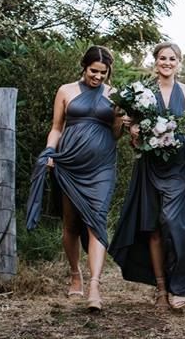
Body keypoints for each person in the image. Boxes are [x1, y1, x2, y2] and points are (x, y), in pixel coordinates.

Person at [26, 45, 123, 312]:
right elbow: (57, 128)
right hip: (70, 163)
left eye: (103, 73)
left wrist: (119, 121)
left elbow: (116, 135)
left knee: (97, 220)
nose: (98, 77)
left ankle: (95, 285)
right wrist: (49, 152)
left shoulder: (115, 95)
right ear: (84, 66)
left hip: (102, 165)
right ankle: (74, 274)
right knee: (70, 222)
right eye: (94, 71)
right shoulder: (66, 91)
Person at [110, 42, 185, 309]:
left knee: (174, 222)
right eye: (162, 58)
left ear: (179, 62)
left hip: (180, 164)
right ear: (156, 61)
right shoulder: (141, 92)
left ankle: (180, 286)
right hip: (149, 164)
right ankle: (161, 289)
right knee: (151, 226)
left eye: (172, 58)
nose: (167, 63)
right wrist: (133, 130)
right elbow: (133, 135)